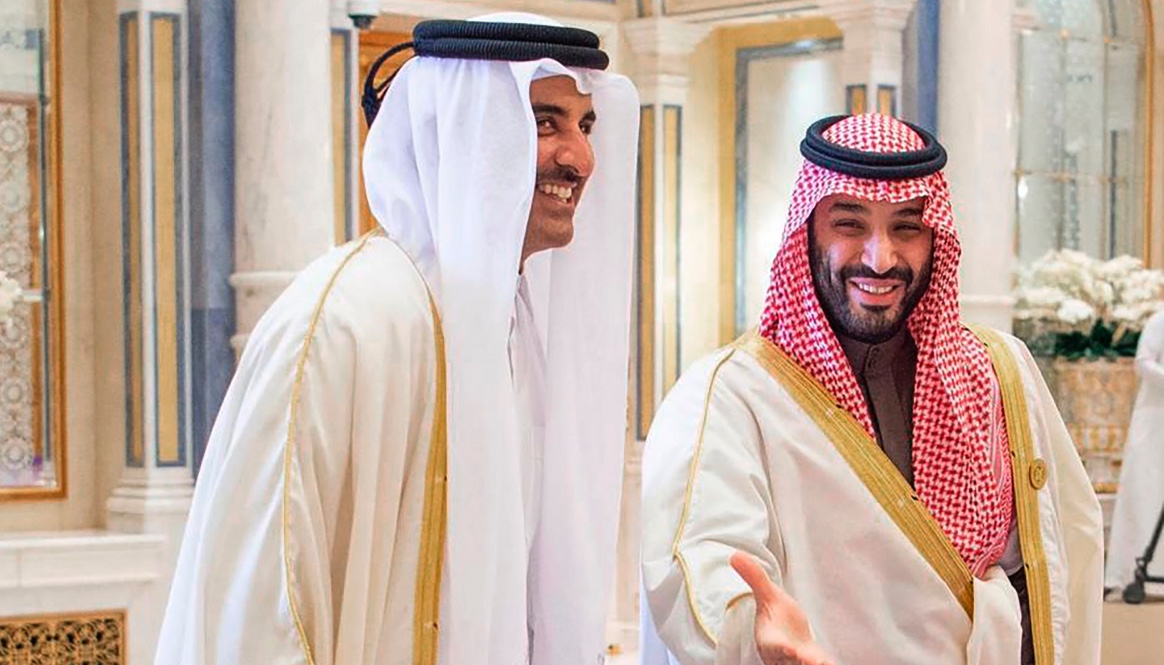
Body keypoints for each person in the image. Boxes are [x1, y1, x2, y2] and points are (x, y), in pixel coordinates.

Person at [156, 13, 639, 665]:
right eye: (542, 122)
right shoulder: (354, 320)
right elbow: (265, 611)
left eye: (584, 126)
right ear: (463, 133)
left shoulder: (517, 329)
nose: (579, 159)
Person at [640, 113, 1103, 665]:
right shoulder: (733, 396)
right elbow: (704, 556)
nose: (879, 259)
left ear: (936, 239)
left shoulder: (999, 370)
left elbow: (1057, 546)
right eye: (850, 225)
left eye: (906, 227)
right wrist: (748, 633)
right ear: (806, 229)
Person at [1106, 306, 1164, 595]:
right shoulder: (1159, 320)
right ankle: (1134, 570)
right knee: (1148, 490)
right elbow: (1143, 363)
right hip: (1156, 422)